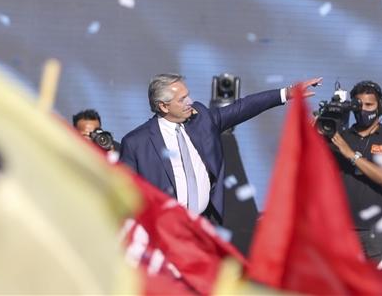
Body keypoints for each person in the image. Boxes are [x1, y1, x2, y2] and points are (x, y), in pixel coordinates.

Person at [120, 73, 321, 224]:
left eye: (187, 95)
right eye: (182, 100)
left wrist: (286, 93)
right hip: (164, 233)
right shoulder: (136, 143)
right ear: (163, 106)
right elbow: (124, 196)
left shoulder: (202, 119)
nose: (189, 102)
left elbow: (242, 107)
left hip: (204, 225)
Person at [328, 80, 382, 262]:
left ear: (379, 106)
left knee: (379, 289)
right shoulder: (338, 138)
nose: (363, 110)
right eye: (358, 105)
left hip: (378, 234)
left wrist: (351, 155)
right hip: (340, 232)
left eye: (369, 105)